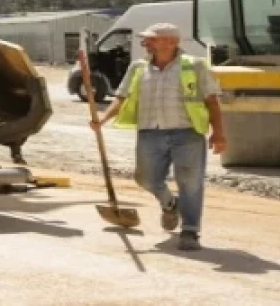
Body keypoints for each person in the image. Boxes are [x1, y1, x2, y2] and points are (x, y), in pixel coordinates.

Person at [91, 22, 227, 251]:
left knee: (190, 183)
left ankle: (190, 231)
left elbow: (211, 100)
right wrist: (103, 118)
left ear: (171, 42)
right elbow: (122, 97)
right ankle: (169, 203)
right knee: (145, 179)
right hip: (150, 132)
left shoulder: (194, 66)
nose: (145, 43)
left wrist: (219, 133)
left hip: (188, 132)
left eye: (151, 39)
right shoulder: (137, 67)